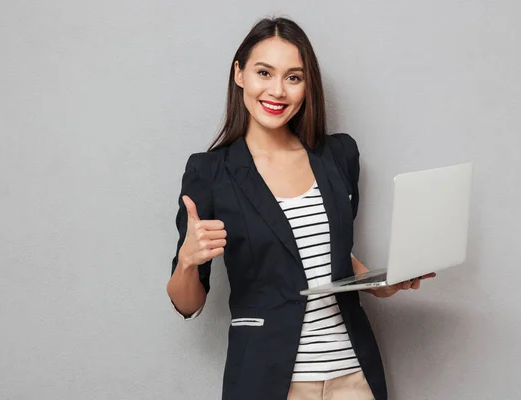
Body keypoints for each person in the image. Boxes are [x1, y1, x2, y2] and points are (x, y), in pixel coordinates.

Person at [166, 17, 435, 400]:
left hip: (353, 378)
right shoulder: (210, 172)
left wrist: (380, 284)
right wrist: (188, 261)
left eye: (294, 77)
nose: (277, 90)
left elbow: (337, 258)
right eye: (264, 72)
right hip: (269, 381)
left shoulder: (339, 155)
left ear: (308, 86)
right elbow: (187, 303)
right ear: (239, 74)